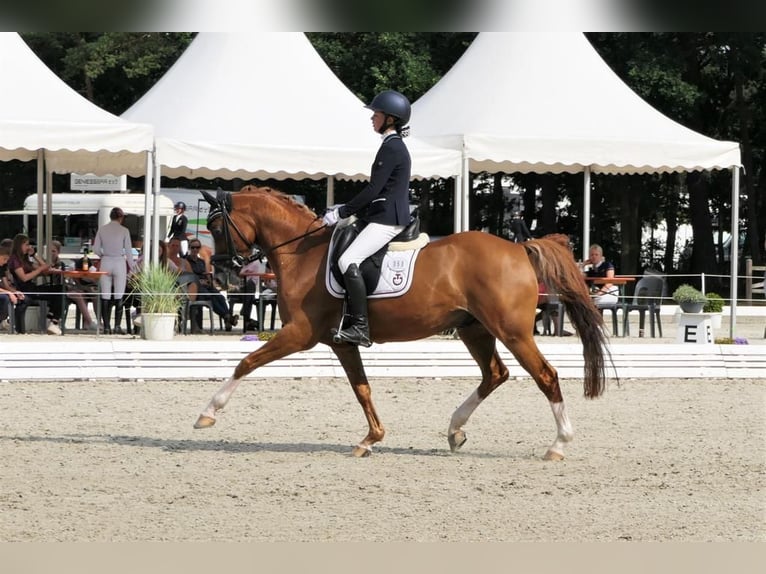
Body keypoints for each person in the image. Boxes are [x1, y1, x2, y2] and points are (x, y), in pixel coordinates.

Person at [321, 89, 412, 347]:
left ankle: (360, 326)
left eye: (377, 114)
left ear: (390, 119)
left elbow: (374, 190)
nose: (372, 118)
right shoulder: (390, 145)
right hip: (381, 214)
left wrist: (341, 212)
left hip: (387, 218)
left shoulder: (392, 148)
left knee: (348, 259)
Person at [6, 234, 63, 335]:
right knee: (58, 292)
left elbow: (46, 268)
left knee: (60, 289)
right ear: (20, 245)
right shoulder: (15, 260)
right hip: (24, 289)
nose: (29, 247)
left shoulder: (25, 260)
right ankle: (52, 320)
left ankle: (52, 319)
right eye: (26, 244)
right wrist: (40, 270)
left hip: (31, 288)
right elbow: (24, 278)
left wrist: (34, 256)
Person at [182, 237, 238, 333]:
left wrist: (211, 283)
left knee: (220, 297)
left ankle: (227, 317)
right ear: (189, 248)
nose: (195, 249)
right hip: (195, 286)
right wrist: (200, 282)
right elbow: (189, 276)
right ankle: (227, 317)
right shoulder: (186, 261)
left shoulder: (201, 261)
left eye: (197, 247)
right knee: (210, 297)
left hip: (206, 285)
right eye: (193, 247)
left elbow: (207, 274)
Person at [93, 207, 135, 334]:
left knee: (105, 295)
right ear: (121, 217)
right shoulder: (124, 230)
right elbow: (128, 251)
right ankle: (117, 326)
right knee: (119, 295)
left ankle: (106, 327)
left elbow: (95, 249)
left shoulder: (102, 229)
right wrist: (133, 268)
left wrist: (103, 255)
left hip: (106, 261)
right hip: (119, 262)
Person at [46, 240, 97, 331]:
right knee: (78, 294)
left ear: (58, 252)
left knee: (83, 294)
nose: (51, 253)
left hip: (64, 289)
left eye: (54, 251)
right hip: (56, 290)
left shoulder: (61, 264)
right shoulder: (44, 263)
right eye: (49, 251)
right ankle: (89, 322)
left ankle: (87, 322)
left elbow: (66, 280)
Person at [0, 239, 25, 331]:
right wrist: (9, 293)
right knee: (5, 298)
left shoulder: (1, 268)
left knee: (19, 298)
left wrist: (14, 292)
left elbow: (6, 285)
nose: (5, 262)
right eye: (4, 259)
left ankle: (10, 323)